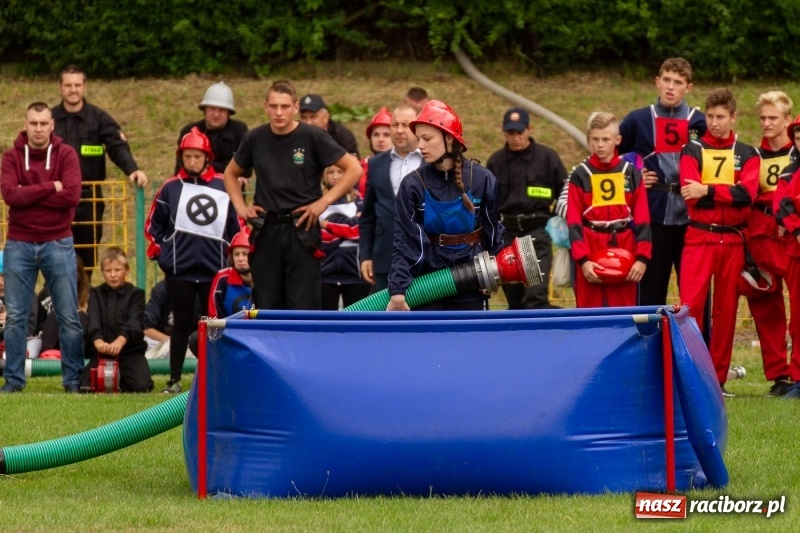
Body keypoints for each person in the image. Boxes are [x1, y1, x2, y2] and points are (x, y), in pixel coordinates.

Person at [223, 80, 362, 310]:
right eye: (274, 106)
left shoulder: (312, 136)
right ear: (265, 106)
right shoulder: (255, 138)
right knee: (267, 304)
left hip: (302, 228)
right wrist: (241, 208)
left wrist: (324, 202)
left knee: (302, 306)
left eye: (285, 106)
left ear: (295, 107)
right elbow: (230, 173)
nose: (279, 112)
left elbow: (354, 168)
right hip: (266, 228)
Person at [145, 127, 241, 394]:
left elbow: (236, 227)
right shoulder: (170, 187)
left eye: (197, 156)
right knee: (181, 324)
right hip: (180, 272)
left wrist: (231, 255)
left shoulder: (223, 185)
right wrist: (163, 254)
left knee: (213, 325)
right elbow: (153, 226)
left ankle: (215, 379)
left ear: (207, 157)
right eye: (188, 156)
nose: (192, 161)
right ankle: (174, 380)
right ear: (181, 157)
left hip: (214, 271)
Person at [679, 88, 759, 397]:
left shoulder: (748, 153)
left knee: (726, 312)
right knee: (690, 308)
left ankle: (717, 379)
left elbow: (747, 195)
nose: (714, 123)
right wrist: (726, 192)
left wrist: (708, 190)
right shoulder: (692, 150)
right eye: (710, 116)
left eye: (720, 117)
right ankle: (688, 374)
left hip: (734, 240)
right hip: (700, 237)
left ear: (733, 117)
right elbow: (690, 195)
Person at [387, 100, 504, 311]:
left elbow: (493, 231)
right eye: (419, 139)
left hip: (472, 282)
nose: (420, 145)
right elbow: (405, 241)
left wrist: (494, 273)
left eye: (427, 138)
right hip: (426, 285)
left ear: (449, 138)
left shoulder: (483, 179)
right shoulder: (412, 184)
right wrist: (397, 290)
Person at [0, 102, 84, 393]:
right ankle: (13, 380)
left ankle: (72, 380)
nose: (38, 129)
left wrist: (28, 194)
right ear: (25, 125)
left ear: (52, 125)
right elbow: (10, 196)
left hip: (57, 241)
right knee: (15, 317)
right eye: (33, 123)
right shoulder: (11, 157)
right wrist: (51, 186)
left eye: (43, 123)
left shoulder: (67, 154)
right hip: (19, 243)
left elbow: (71, 196)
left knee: (68, 315)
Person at [618, 58, 706, 309]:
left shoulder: (700, 122)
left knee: (695, 293)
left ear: (688, 87)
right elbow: (608, 158)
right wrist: (633, 177)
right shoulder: (637, 119)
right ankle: (650, 335)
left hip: (692, 219)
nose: (670, 87)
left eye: (677, 82)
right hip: (653, 216)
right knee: (650, 292)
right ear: (657, 82)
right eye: (666, 80)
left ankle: (697, 336)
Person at [52, 65, 148, 276]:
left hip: (90, 200)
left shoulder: (99, 118)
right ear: (60, 87)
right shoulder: (49, 120)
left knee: (87, 258)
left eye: (77, 85)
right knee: (56, 257)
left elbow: (117, 146)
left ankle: (83, 295)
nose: (73, 89)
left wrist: (132, 169)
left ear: (84, 86)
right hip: (57, 200)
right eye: (68, 85)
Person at [567, 112, 651, 308]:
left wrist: (642, 259)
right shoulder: (580, 174)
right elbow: (573, 221)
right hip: (590, 246)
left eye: (606, 139)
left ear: (617, 140)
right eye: (595, 139)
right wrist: (583, 260)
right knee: (589, 314)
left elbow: (643, 219)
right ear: (589, 139)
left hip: (625, 247)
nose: (600, 145)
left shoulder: (631, 173)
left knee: (625, 312)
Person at [487, 107, 568, 309]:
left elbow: (566, 194)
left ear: (529, 129)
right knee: (515, 303)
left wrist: (556, 223)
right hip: (508, 236)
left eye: (520, 132)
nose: (515, 138)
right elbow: (488, 203)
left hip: (535, 235)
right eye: (510, 133)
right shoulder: (496, 162)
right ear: (503, 131)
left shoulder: (547, 158)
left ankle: (559, 326)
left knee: (534, 299)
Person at [745, 91, 793, 396]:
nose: (766, 123)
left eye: (773, 117)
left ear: (787, 120)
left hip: (789, 234)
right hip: (760, 232)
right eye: (762, 117)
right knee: (765, 305)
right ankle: (779, 375)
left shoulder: (796, 155)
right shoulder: (753, 156)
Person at [359, 105, 424, 292]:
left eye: (406, 125)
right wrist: (365, 255)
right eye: (395, 125)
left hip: (425, 259)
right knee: (382, 310)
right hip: (384, 259)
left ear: (418, 128)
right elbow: (368, 216)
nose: (400, 130)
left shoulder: (431, 162)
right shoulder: (376, 163)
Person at [79, 247, 154, 393]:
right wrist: (98, 341)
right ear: (102, 272)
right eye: (108, 271)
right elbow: (93, 320)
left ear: (127, 270)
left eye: (118, 270)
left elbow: (134, 323)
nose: (113, 275)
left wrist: (120, 341)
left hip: (129, 351)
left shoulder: (136, 294)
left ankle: (121, 380)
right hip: (102, 351)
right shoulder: (95, 293)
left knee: (141, 386)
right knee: (86, 386)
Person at [174, 81, 250, 181]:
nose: (216, 114)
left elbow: (245, 170)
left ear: (229, 113)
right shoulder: (189, 131)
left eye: (222, 110)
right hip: (195, 185)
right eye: (212, 108)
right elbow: (181, 169)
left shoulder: (239, 130)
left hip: (229, 188)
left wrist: (204, 166)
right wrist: (227, 169)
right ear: (204, 110)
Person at [320, 164, 371, 309]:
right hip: (324, 274)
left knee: (357, 320)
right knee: (324, 320)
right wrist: (347, 228)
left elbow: (358, 230)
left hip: (356, 274)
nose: (335, 177)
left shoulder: (360, 202)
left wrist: (325, 224)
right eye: (331, 172)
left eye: (340, 172)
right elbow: (316, 235)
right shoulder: (316, 203)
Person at [776, 116, 800, 398]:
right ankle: (798, 377)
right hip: (796, 254)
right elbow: (782, 207)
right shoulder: (789, 174)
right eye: (798, 137)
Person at [299, 93, 360, 158]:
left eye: (313, 117)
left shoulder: (342, 136)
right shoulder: (297, 135)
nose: (308, 123)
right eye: (304, 117)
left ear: (326, 117)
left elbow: (354, 160)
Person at [358, 106, 393, 196]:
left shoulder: (404, 166)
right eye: (376, 135)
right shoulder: (358, 167)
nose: (380, 139)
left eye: (386, 135)